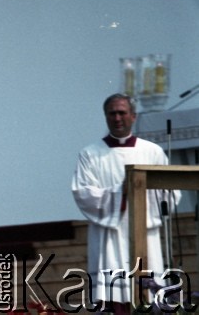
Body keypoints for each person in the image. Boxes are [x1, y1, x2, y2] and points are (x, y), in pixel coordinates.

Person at [71, 93, 180, 314]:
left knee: (149, 292)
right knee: (114, 295)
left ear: (133, 116)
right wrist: (121, 193)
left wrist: (141, 196)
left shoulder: (152, 152)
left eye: (122, 113)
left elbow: (171, 191)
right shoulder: (90, 154)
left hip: (145, 231)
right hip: (108, 235)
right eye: (112, 113)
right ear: (105, 117)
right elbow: (83, 192)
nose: (117, 118)